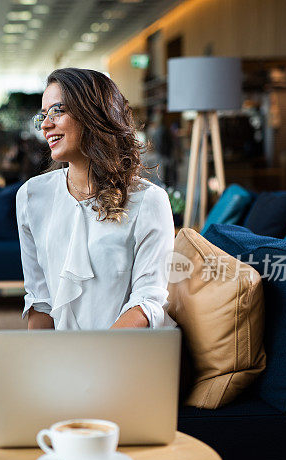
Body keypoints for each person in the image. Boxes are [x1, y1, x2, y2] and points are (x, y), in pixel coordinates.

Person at [19, 68, 174, 331]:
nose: (45, 125)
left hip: (125, 353)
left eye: (58, 110)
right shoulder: (32, 196)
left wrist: (92, 356)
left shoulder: (149, 201)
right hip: (65, 359)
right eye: (43, 116)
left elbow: (147, 302)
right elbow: (41, 301)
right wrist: (32, 361)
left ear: (93, 114)